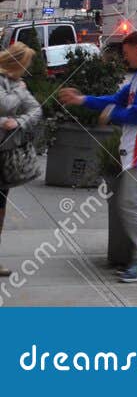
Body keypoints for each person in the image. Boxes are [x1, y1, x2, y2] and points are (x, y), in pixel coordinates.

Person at [59, 31, 137, 283]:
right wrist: (83, 100)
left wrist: (111, 114)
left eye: (125, 53)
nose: (125, 59)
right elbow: (118, 99)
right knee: (135, 204)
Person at [0, 43, 45, 280]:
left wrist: (18, 122)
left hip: (5, 154)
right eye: (25, 65)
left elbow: (36, 110)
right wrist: (19, 90)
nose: (26, 71)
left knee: (0, 207)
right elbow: (5, 105)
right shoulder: (12, 84)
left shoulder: (16, 84)